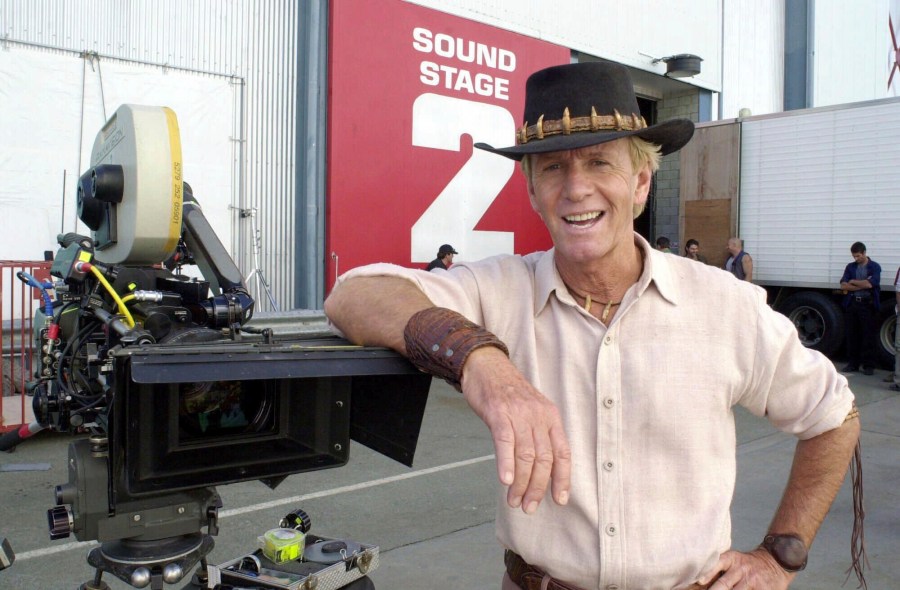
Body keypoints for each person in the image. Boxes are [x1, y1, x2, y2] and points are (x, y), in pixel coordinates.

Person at [325, 62, 863, 590]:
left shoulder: (724, 305)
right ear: (533, 192)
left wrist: (778, 558)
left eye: (600, 163)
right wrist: (480, 360)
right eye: (553, 168)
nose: (576, 188)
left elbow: (834, 418)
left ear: (642, 183)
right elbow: (355, 294)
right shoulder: (499, 289)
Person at [839, 241, 881, 375]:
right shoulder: (850, 267)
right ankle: (853, 363)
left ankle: (869, 365)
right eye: (854, 256)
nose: (856, 259)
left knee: (868, 335)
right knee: (852, 335)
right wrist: (859, 285)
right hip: (853, 303)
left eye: (858, 256)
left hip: (867, 304)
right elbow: (844, 285)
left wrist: (853, 282)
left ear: (864, 253)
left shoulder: (874, 266)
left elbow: (871, 284)